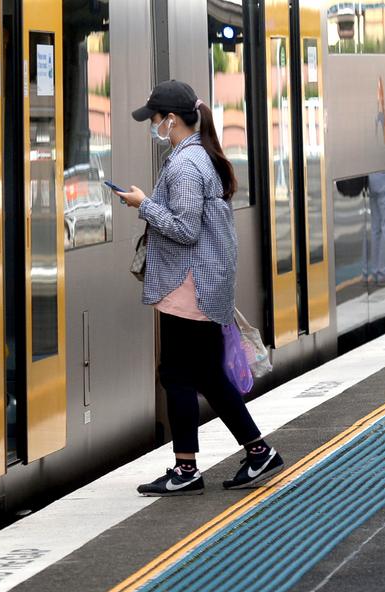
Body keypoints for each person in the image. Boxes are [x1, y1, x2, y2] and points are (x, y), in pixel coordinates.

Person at [115, 80, 285, 496]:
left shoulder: (186, 165)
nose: (152, 126)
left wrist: (144, 205)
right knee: (204, 373)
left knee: (176, 372)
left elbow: (186, 229)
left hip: (189, 285)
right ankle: (253, 453)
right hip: (199, 283)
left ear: (171, 120)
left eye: (154, 119)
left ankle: (189, 468)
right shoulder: (197, 157)